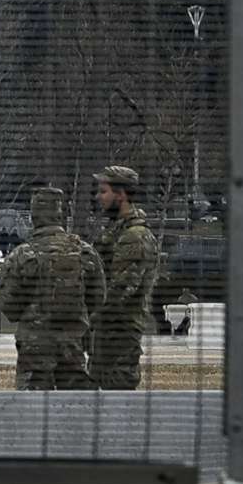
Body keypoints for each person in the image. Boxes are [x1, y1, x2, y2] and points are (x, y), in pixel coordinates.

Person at [0, 184, 103, 390]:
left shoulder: (22, 255)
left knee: (32, 410)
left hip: (34, 349)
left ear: (33, 217)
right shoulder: (85, 252)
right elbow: (98, 298)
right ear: (60, 214)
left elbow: (8, 305)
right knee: (75, 408)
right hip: (73, 346)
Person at [87, 165, 161, 391]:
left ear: (121, 194)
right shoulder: (116, 232)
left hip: (119, 337)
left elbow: (119, 292)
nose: (98, 197)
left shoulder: (134, 237)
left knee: (116, 405)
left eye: (103, 191)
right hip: (107, 335)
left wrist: (87, 314)